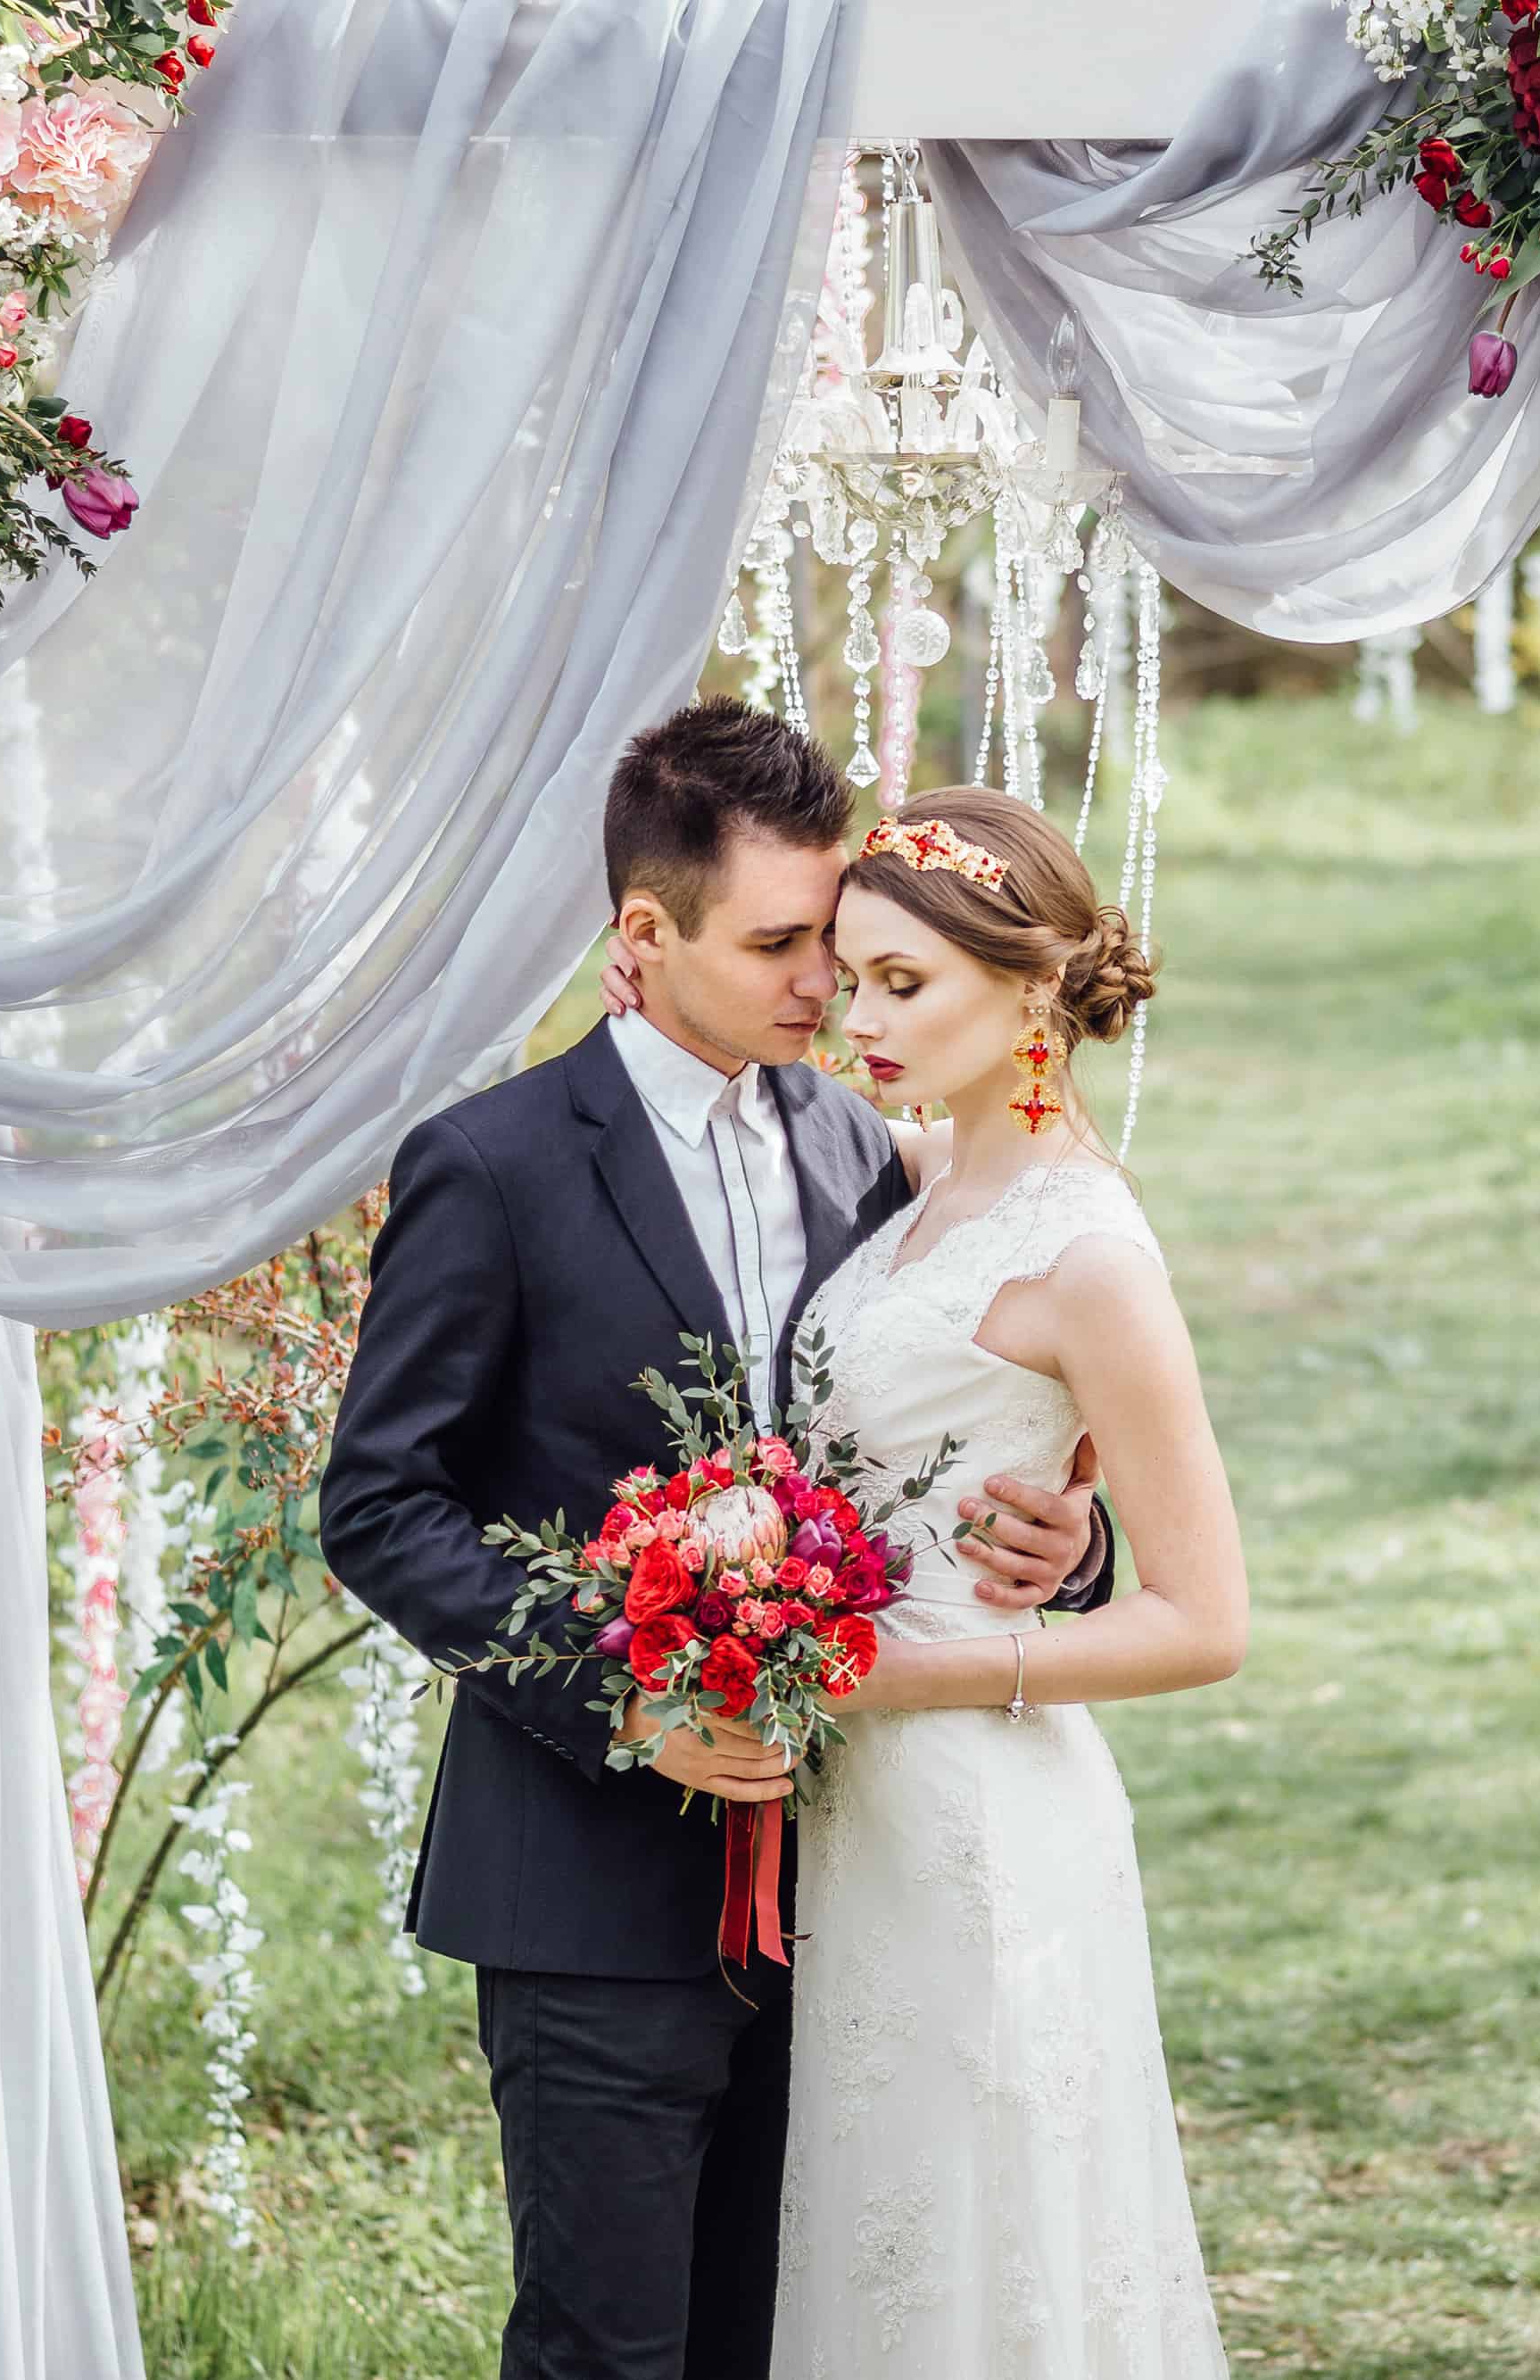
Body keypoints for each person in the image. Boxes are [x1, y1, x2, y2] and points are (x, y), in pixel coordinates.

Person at [317, 700, 1115, 2380]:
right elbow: (381, 1504)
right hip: (586, 1889)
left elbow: (928, 1431)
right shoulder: (494, 1164)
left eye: (833, 940)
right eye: (776, 946)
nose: (823, 986)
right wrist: (626, 1699)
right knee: (609, 2348)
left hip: (846, 1871)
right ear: (644, 933)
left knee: (783, 2335)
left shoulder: (853, 1140)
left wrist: (1070, 1544)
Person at [609, 785, 1246, 2377]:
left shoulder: (1088, 1256)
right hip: (851, 1806)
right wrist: (660, 1007)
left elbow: (1208, 1621)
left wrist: (913, 1673)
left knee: (989, 2239)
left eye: (906, 985)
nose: (857, 1017)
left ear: (1032, 990)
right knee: (877, 2235)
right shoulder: (914, 1171)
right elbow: (738, 1139)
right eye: (850, 971)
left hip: (979, 1805)